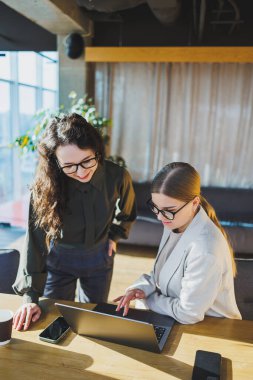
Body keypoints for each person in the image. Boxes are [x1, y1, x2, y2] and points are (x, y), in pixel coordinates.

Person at [13, 113, 136, 331]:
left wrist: (115, 235)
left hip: (100, 258)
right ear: (55, 162)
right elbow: (34, 241)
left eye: (87, 161)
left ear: (97, 151)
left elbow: (127, 212)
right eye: (69, 166)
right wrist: (30, 298)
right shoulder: (44, 187)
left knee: (93, 319)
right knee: (55, 320)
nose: (81, 172)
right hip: (58, 261)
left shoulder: (117, 176)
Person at [114, 162, 241, 324]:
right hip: (173, 318)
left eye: (168, 210)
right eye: (156, 207)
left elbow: (188, 314)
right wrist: (140, 289)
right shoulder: (174, 221)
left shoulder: (205, 249)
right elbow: (159, 274)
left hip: (212, 328)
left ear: (195, 203)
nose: (159, 217)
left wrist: (150, 299)